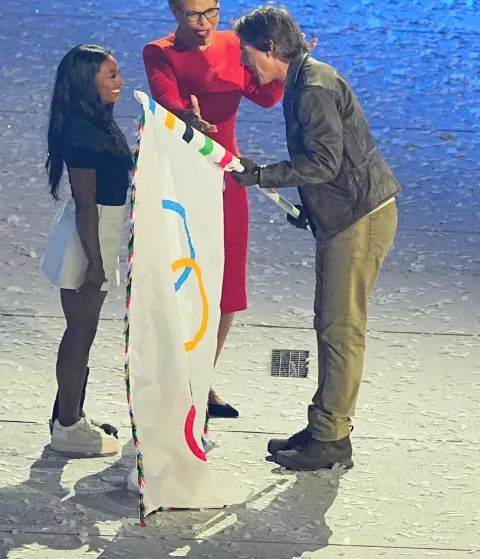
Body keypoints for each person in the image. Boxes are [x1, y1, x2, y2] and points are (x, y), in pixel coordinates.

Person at [230, 6, 401, 471]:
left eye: (248, 55)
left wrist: (264, 176)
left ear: (269, 48)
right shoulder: (306, 78)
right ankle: (324, 426)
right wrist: (311, 206)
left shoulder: (313, 87)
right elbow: (330, 164)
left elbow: (324, 163)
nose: (247, 66)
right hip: (345, 214)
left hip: (357, 219)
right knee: (330, 325)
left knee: (341, 329)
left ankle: (330, 438)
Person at [143, 0, 315, 419]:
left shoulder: (235, 44)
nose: (203, 23)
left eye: (211, 12)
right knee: (184, 285)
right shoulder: (159, 51)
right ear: (173, 10)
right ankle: (173, 383)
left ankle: (200, 381)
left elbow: (264, 97)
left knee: (226, 292)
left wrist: (291, 66)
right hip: (181, 184)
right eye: (192, 14)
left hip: (227, 182)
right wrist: (189, 118)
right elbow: (166, 100)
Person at [39, 44, 131, 456]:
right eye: (110, 75)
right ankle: (68, 425)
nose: (120, 82)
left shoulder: (97, 122)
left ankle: (70, 414)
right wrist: (95, 263)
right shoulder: (81, 132)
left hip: (99, 232)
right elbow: (86, 206)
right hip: (88, 238)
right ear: (86, 82)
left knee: (84, 332)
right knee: (80, 333)